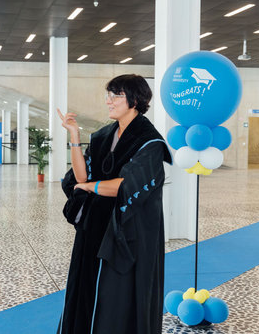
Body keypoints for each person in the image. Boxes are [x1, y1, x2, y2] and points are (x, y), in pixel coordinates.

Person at [57, 74, 172, 334]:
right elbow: (79, 176)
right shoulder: (103, 135)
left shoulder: (149, 141)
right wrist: (74, 136)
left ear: (134, 100)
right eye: (108, 95)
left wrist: (90, 188)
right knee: (87, 286)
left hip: (129, 228)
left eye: (116, 95)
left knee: (118, 294)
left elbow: (127, 185)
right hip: (95, 227)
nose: (108, 101)